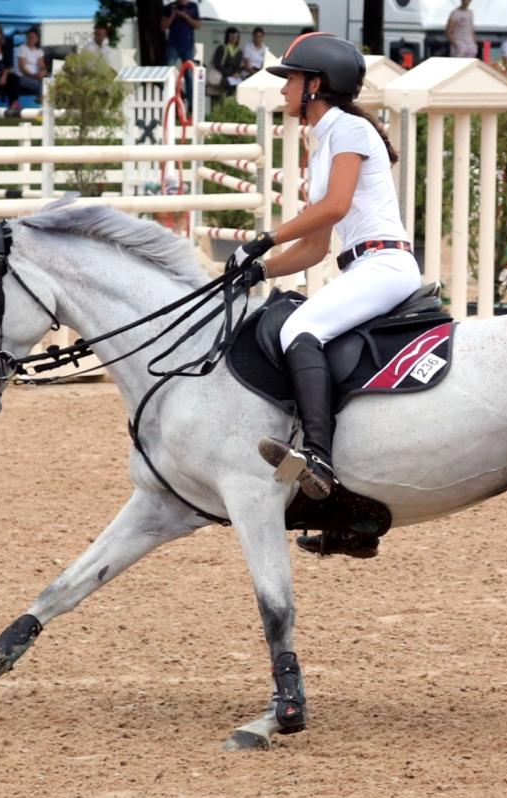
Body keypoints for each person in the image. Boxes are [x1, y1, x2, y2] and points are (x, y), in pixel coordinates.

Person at [224, 34, 420, 556]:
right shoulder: (326, 136)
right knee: (305, 330)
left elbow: (334, 208)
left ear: (316, 84)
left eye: (290, 79)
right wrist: (259, 268)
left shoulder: (350, 128)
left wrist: (267, 234)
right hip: (361, 264)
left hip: (385, 263)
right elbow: (314, 248)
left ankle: (320, 459)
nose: (284, 89)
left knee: (299, 328)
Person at [162, 0, 201, 65]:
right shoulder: (170, 6)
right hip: (173, 45)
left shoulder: (193, 6)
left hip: (188, 46)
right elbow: (163, 26)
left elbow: (198, 25)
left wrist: (185, 16)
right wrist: (172, 15)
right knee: (169, 68)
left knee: (189, 72)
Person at [210, 26, 244, 99]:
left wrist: (237, 73)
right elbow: (217, 64)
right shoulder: (222, 48)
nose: (234, 38)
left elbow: (240, 66)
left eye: (235, 36)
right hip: (222, 75)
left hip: (233, 76)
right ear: (227, 37)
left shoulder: (239, 51)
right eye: (231, 36)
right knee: (226, 88)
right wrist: (230, 74)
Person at [15, 26, 46, 95]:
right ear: (27, 38)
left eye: (34, 37)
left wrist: (42, 72)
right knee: (41, 85)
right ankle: (41, 103)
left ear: (37, 39)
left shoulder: (39, 50)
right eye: (30, 37)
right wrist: (35, 76)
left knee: (48, 81)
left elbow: (42, 66)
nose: (31, 39)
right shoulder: (22, 48)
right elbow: (22, 68)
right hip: (24, 77)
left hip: (36, 77)